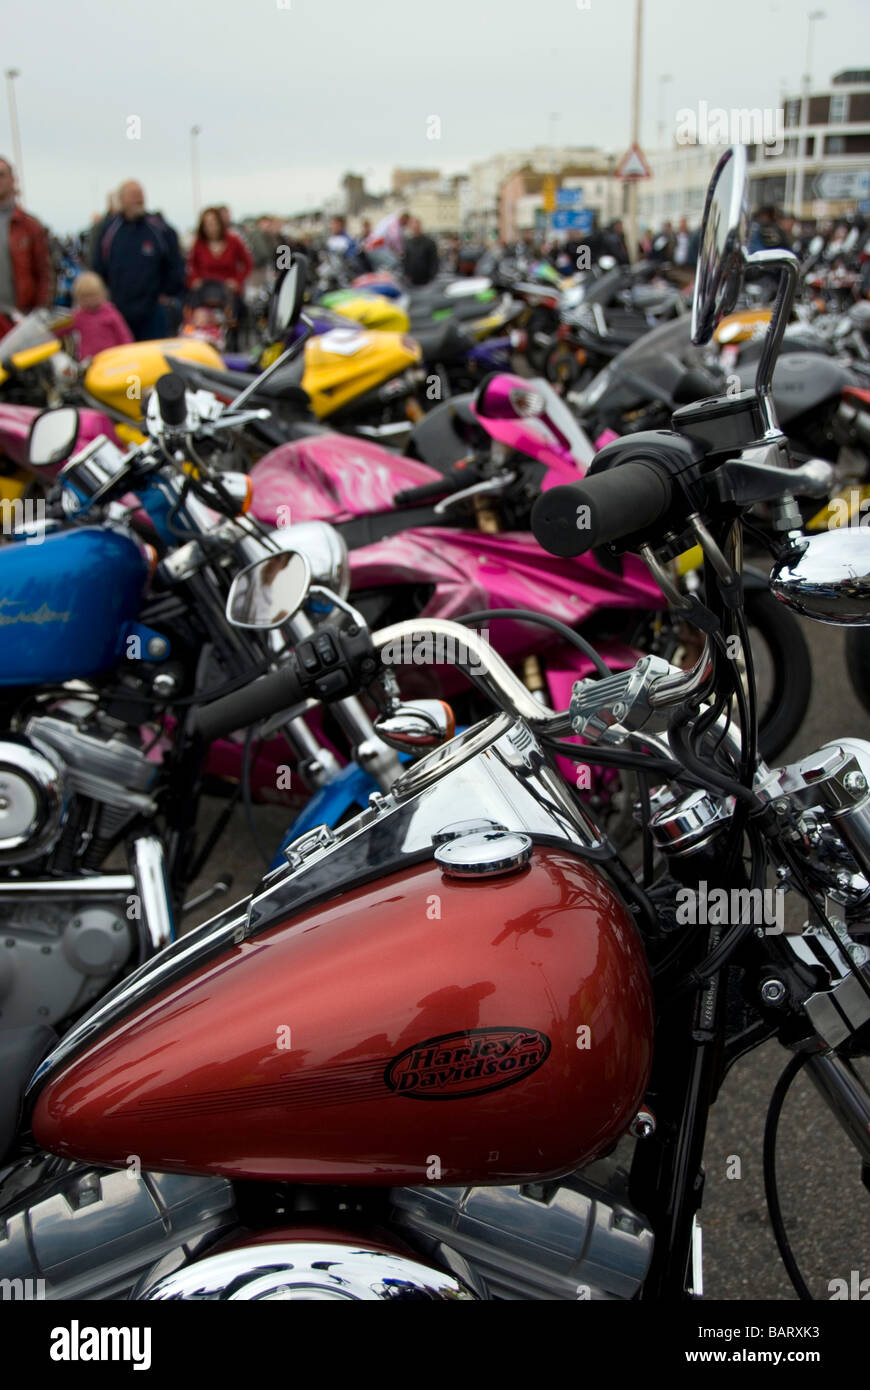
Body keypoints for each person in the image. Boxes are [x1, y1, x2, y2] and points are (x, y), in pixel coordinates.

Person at [91, 180, 184, 340]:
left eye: (141, 195)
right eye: (134, 195)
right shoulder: (109, 230)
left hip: (153, 310)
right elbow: (98, 266)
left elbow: (175, 264)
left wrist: (168, 293)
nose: (139, 200)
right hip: (119, 309)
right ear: (122, 199)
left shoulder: (160, 229)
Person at [0, 156, 53, 331]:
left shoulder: (29, 226)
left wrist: (39, 313)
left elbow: (44, 273)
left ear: (12, 180)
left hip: (20, 320)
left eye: (1, 175)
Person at [186, 206, 254, 295]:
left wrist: (237, 281)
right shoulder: (199, 244)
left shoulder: (233, 241)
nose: (211, 228)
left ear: (219, 223)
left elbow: (248, 264)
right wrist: (194, 280)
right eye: (207, 224)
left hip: (229, 292)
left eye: (213, 223)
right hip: (205, 292)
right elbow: (191, 266)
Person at [70, 271, 133, 359]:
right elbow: (61, 329)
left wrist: (129, 352)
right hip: (90, 360)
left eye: (93, 296)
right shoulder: (78, 316)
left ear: (102, 294)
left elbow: (124, 334)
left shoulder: (110, 312)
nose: (90, 301)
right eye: (85, 298)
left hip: (112, 357)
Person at [402, 216, 439, 285]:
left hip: (426, 279)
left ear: (420, 226)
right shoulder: (408, 243)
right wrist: (406, 273)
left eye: (416, 225)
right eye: (412, 226)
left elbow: (434, 261)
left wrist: (433, 276)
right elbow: (406, 260)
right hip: (412, 280)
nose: (415, 228)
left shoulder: (429, 242)